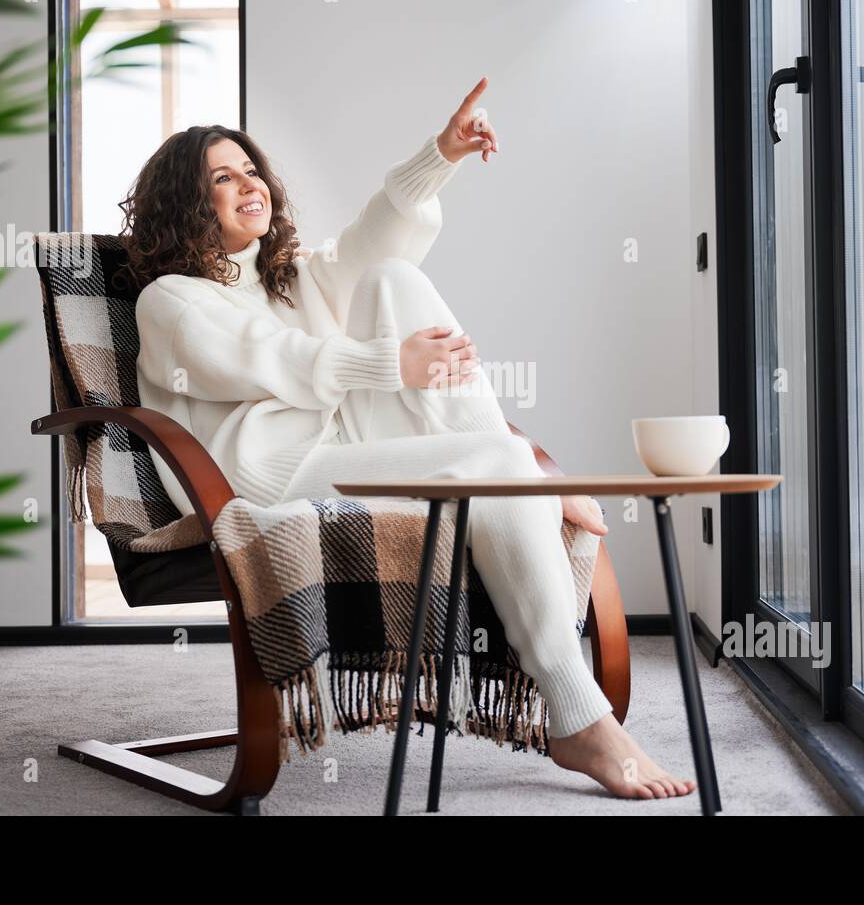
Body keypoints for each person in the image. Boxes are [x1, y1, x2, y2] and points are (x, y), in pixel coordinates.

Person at [121, 76, 695, 800]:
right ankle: (579, 714)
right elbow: (267, 358)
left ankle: (522, 481)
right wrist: (391, 365)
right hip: (264, 477)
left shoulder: (288, 280)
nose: (250, 184)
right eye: (222, 178)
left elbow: (371, 242)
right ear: (186, 204)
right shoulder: (170, 301)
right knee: (495, 458)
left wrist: (442, 154)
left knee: (391, 277)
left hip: (338, 441)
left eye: (251, 169)